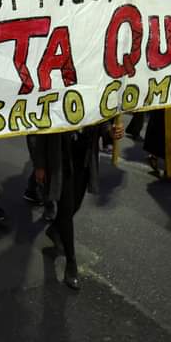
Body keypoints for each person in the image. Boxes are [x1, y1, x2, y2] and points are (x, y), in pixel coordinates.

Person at [32, 122, 123, 290]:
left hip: (83, 161)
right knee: (66, 210)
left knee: (75, 205)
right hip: (60, 161)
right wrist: (39, 164)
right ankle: (71, 263)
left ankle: (54, 229)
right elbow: (42, 129)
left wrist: (110, 131)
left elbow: (102, 120)